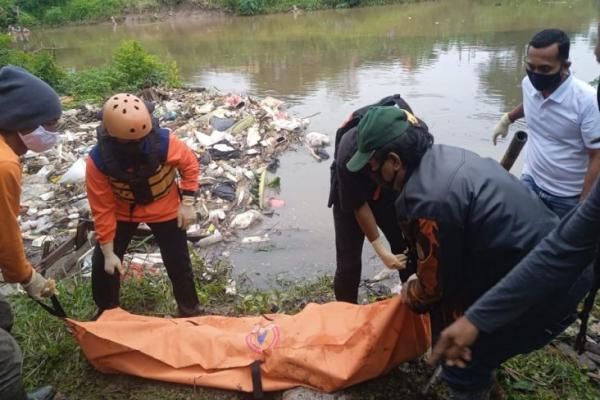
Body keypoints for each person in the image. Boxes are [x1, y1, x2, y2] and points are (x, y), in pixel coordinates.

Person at [346, 105, 563, 398]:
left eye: (372, 165)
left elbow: (433, 290)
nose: (371, 173)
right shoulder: (446, 156)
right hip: (554, 263)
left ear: (394, 161)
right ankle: (486, 383)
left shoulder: (424, 201)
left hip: (547, 294)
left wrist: (412, 290)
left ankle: (472, 384)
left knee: (458, 358)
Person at [86, 93, 202, 317]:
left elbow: (189, 165)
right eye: (128, 142)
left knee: (178, 260)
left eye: (140, 139)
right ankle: (107, 312)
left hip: (166, 206)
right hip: (122, 210)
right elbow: (102, 207)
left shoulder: (165, 142)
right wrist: (109, 251)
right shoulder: (98, 160)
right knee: (104, 264)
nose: (135, 146)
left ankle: (190, 310)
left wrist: (187, 203)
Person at [492, 29, 600, 218]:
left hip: (567, 196)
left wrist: (584, 206)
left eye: (544, 69)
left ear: (565, 66)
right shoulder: (529, 84)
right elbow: (532, 102)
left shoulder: (587, 101)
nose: (536, 75)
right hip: (531, 181)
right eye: (531, 67)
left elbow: (597, 154)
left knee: (561, 246)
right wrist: (508, 118)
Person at [0, 65, 61, 399]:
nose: (52, 133)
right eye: (49, 125)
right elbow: (4, 236)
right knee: (6, 360)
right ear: (22, 121)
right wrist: (26, 276)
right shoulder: (4, 162)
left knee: (2, 313)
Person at [328, 95, 415, 304]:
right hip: (349, 189)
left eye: (375, 162)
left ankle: (414, 304)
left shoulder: (412, 136)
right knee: (348, 263)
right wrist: (379, 248)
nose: (373, 167)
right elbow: (358, 205)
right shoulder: (348, 154)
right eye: (370, 164)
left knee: (406, 250)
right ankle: (346, 315)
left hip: (390, 187)